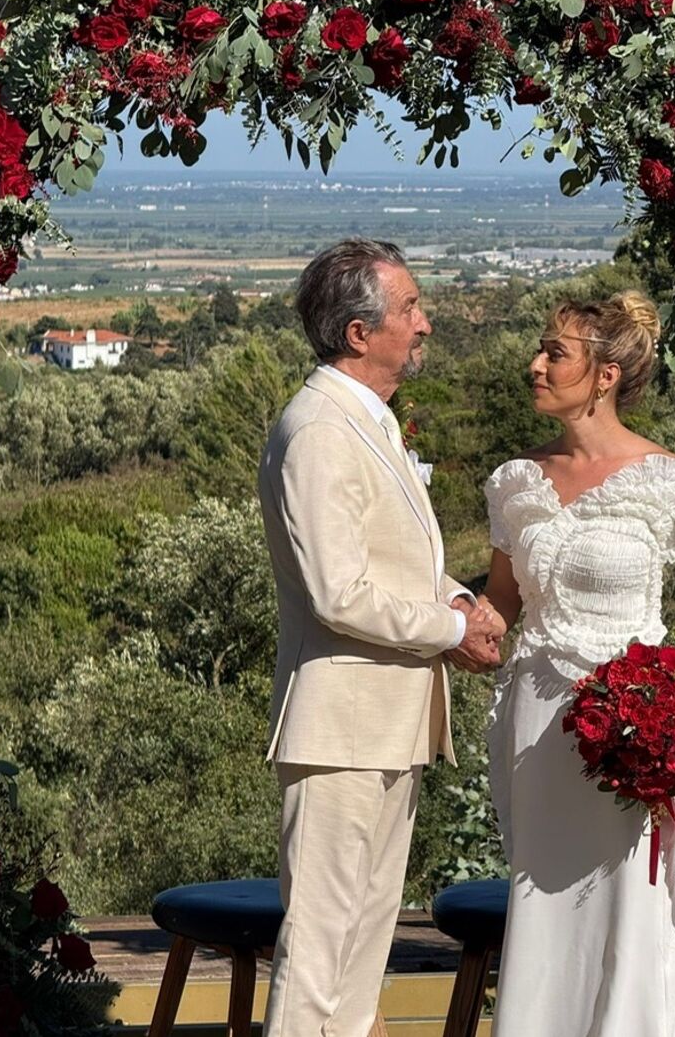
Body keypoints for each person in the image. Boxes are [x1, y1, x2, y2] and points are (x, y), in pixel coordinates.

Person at [477, 290, 675, 1036]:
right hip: (540, 733)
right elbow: (502, 606)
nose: (534, 364)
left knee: (635, 910)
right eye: (541, 349)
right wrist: (442, 626)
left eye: (555, 353)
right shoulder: (516, 483)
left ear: (605, 374)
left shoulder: (666, 479)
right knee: (545, 910)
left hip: (637, 737)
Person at [257, 239, 501, 1037]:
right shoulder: (321, 429)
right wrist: (448, 630)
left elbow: (395, 559)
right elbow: (338, 592)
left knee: (365, 940)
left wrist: (462, 598)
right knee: (324, 946)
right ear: (359, 333)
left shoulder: (367, 419)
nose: (424, 322)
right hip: (343, 727)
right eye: (409, 308)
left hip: (383, 723)